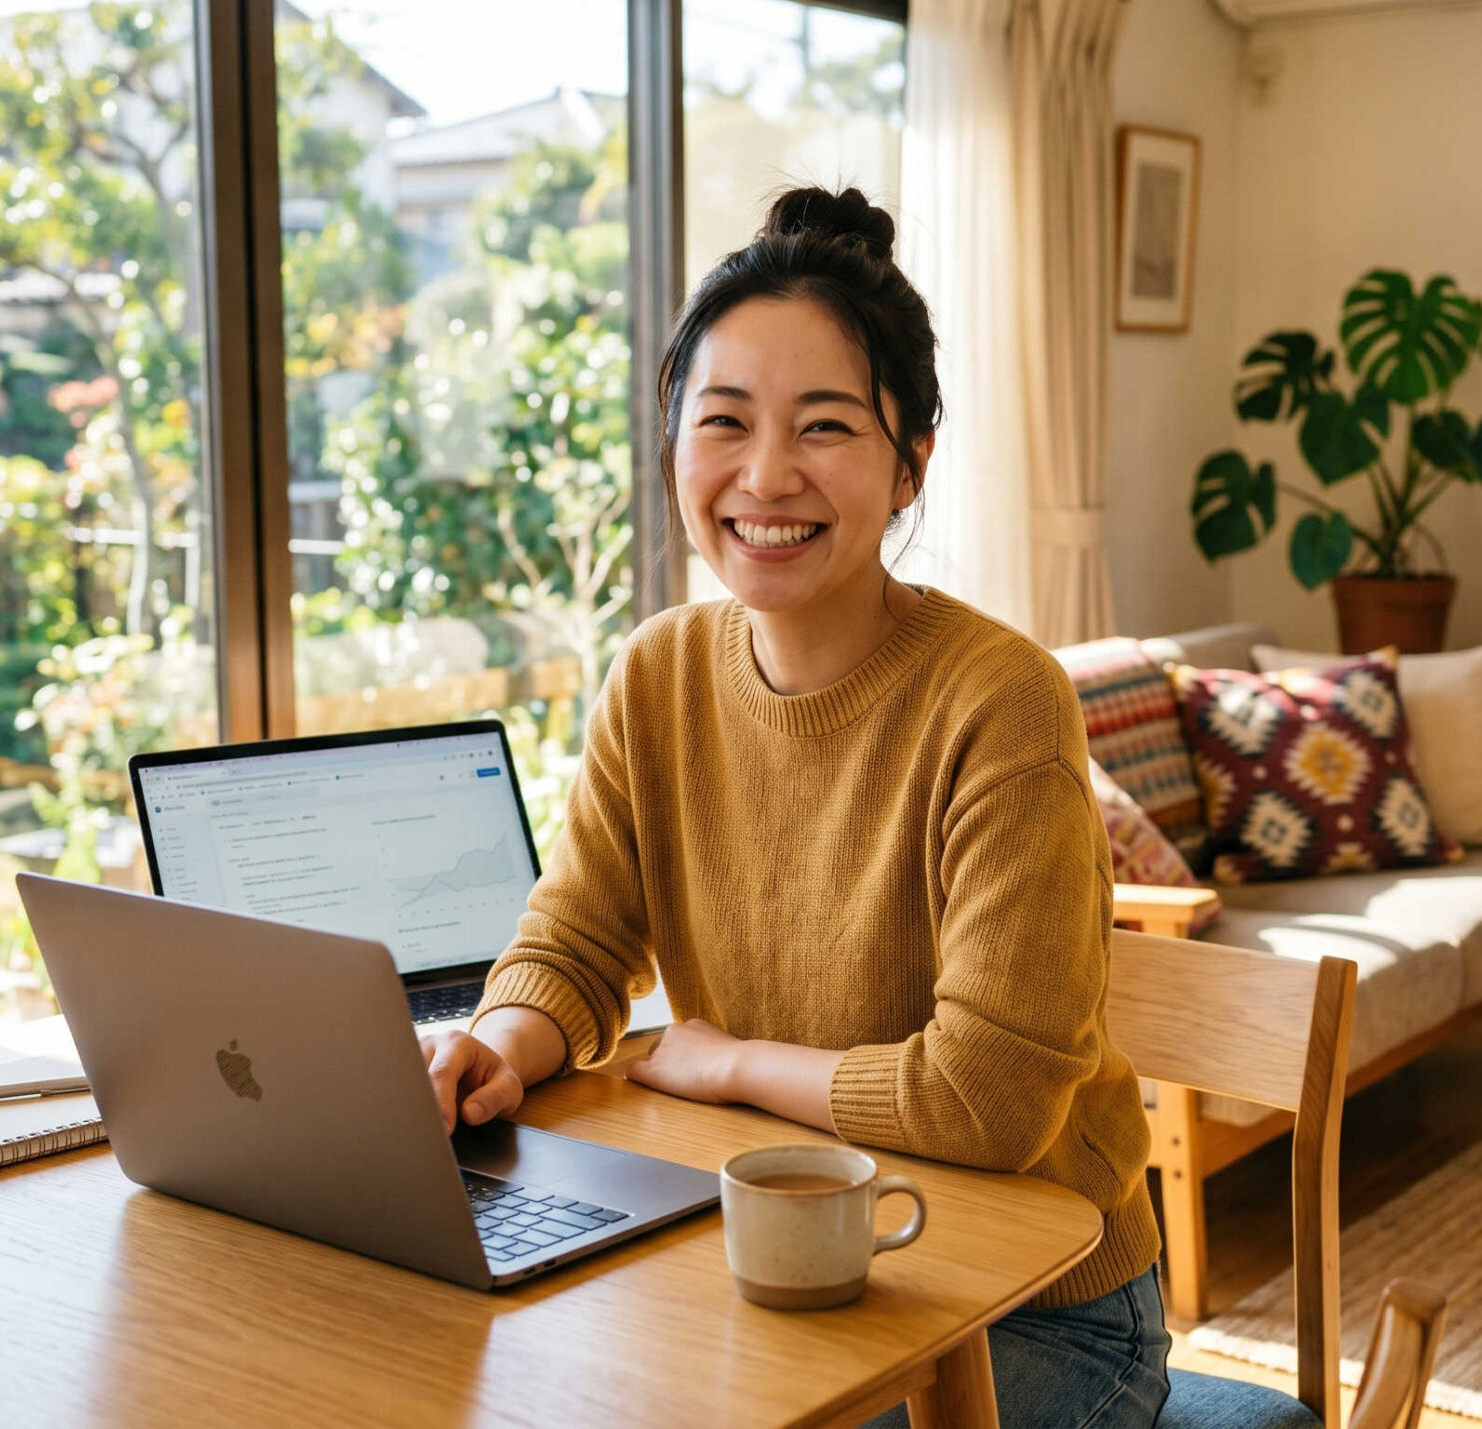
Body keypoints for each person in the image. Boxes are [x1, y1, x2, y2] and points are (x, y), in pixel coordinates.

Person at [420, 186, 1169, 1428]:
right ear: (673, 445)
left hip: (1039, 1308)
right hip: (775, 1257)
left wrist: (725, 1064)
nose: (766, 476)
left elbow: (986, 1098)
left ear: (909, 463)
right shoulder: (655, 675)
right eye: (723, 422)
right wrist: (493, 1049)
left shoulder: (1002, 703)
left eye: (825, 427)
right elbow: (576, 941)